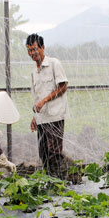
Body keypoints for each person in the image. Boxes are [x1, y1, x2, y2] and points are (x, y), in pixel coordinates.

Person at [25, 33, 70, 180]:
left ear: (43, 47)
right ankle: (50, 180)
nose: (33, 53)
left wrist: (44, 101)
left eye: (35, 49)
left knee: (54, 152)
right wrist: (34, 117)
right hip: (42, 118)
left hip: (55, 115)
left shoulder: (53, 63)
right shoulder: (34, 72)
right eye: (30, 50)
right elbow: (37, 98)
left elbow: (63, 87)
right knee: (43, 152)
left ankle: (61, 182)